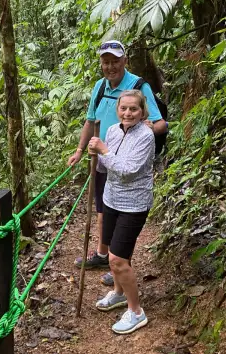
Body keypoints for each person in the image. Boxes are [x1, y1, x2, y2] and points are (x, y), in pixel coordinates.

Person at [67, 40, 166, 285]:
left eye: (115, 61)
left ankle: (120, 264)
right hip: (102, 159)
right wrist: (80, 150)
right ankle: (105, 255)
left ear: (125, 60)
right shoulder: (100, 87)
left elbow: (161, 123)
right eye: (106, 62)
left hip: (126, 164)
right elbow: (91, 121)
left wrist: (140, 136)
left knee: (125, 212)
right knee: (104, 208)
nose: (110, 66)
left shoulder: (137, 86)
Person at [88, 90, 154, 334]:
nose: (128, 113)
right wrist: (95, 154)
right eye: (123, 108)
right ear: (117, 110)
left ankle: (136, 311)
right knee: (117, 252)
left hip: (134, 204)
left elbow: (128, 169)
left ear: (142, 111)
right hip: (111, 199)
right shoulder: (114, 130)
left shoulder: (146, 136)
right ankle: (118, 293)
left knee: (116, 259)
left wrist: (103, 150)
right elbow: (107, 163)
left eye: (133, 109)